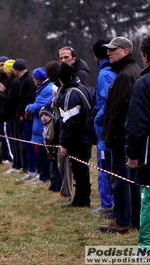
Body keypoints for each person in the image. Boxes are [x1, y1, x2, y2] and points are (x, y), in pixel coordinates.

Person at [125, 33, 150, 249]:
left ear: (146, 56)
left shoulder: (144, 83)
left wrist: (133, 154)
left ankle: (148, 247)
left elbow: (136, 123)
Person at [99, 36, 141, 234]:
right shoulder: (130, 71)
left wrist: (110, 137)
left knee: (119, 179)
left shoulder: (125, 75)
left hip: (121, 139)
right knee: (130, 180)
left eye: (113, 49)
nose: (109, 53)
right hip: (127, 137)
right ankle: (132, 218)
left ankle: (123, 220)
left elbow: (118, 112)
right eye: (108, 49)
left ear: (126, 51)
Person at [56, 63, 93, 208]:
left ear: (61, 79)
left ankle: (80, 200)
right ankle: (84, 198)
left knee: (78, 169)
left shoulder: (70, 94)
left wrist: (64, 144)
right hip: (86, 136)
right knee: (83, 168)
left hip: (77, 138)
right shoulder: (84, 88)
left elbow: (68, 122)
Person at [91, 39, 116, 215]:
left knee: (105, 169)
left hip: (105, 133)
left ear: (95, 56)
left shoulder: (104, 74)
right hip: (110, 130)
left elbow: (109, 102)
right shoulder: (114, 70)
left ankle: (107, 204)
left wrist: (97, 120)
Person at [0, 59, 24, 174]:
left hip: (12, 115)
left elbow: (11, 99)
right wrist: (3, 90)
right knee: (12, 140)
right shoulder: (10, 81)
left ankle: (16, 163)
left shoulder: (14, 82)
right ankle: (16, 163)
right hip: (9, 114)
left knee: (14, 141)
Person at [45, 61, 73, 199]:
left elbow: (61, 112)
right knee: (59, 162)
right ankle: (62, 188)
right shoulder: (58, 87)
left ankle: (66, 190)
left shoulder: (63, 90)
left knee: (65, 164)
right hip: (59, 127)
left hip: (62, 129)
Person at [25, 67, 54, 184]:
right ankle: (42, 174)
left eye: (34, 77)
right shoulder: (42, 88)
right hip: (38, 124)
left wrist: (28, 107)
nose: (32, 79)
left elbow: (40, 105)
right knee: (41, 152)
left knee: (44, 153)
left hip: (42, 125)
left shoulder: (47, 89)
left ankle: (44, 176)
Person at [11, 59, 36, 182]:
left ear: (16, 70)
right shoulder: (23, 80)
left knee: (31, 146)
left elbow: (28, 99)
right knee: (27, 146)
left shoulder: (27, 81)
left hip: (28, 119)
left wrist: (24, 115)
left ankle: (33, 170)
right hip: (24, 118)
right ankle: (30, 170)